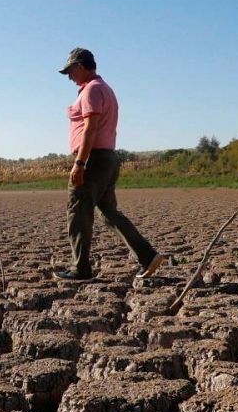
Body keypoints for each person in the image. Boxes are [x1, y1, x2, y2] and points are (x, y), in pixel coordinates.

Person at [54, 47, 166, 282]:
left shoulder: (92, 90)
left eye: (70, 72)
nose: (69, 77)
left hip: (93, 160)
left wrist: (80, 163)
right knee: (109, 213)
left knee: (78, 212)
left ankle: (80, 269)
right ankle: (148, 256)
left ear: (80, 66)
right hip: (107, 158)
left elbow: (90, 128)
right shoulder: (105, 88)